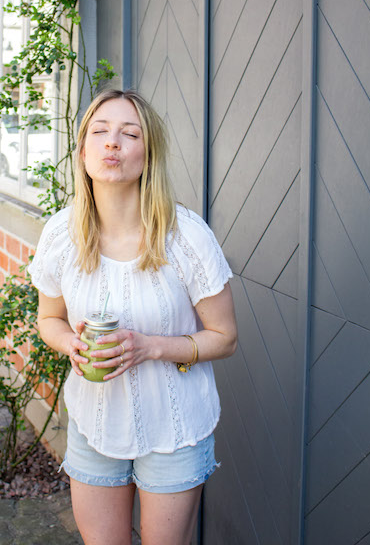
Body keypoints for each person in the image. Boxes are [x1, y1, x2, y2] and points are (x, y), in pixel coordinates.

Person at [29, 89, 237, 545]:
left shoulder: (184, 236)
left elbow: (225, 336)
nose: (112, 143)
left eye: (129, 133)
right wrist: (71, 344)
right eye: (99, 132)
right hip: (94, 424)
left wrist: (152, 347)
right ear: (82, 151)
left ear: (149, 153)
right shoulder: (62, 234)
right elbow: (49, 320)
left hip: (174, 430)